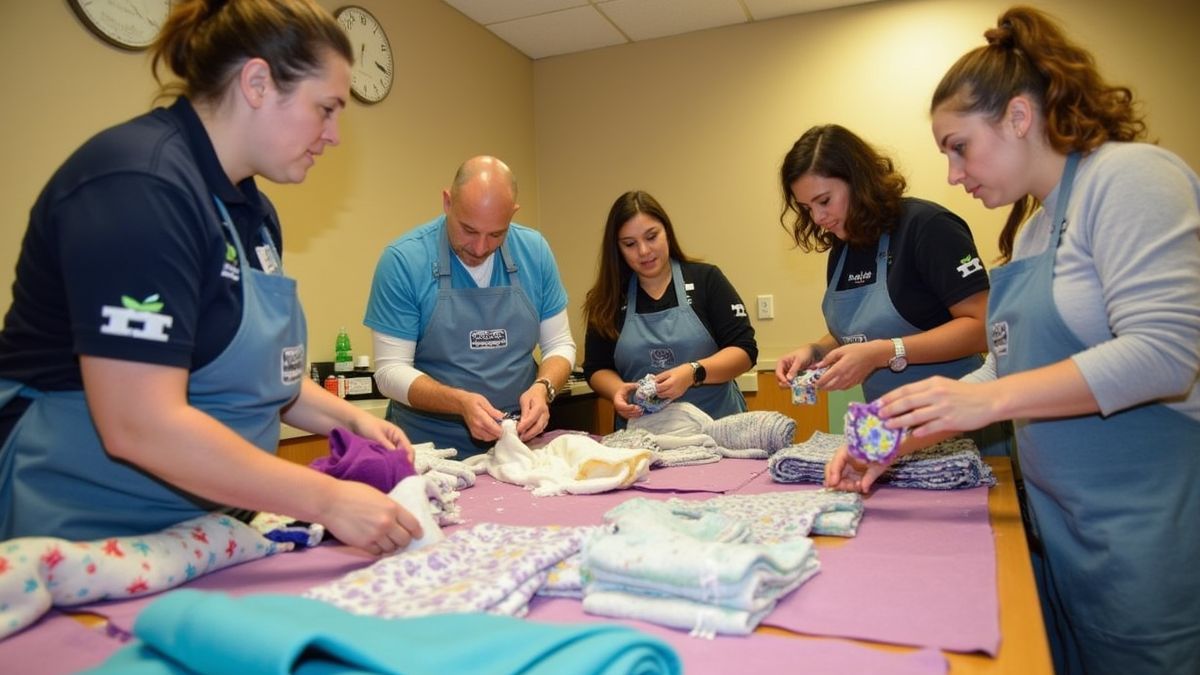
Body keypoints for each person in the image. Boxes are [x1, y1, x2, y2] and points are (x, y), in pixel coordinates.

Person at [827, 7, 1200, 673]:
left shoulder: (1132, 178)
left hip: (1149, 536)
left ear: (1019, 117)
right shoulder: (1030, 232)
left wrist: (988, 401)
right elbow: (1009, 362)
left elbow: (1167, 354)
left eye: (957, 145)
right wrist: (901, 436)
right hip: (1064, 533)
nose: (951, 173)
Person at [0, 0, 421, 554]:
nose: (335, 134)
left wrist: (353, 421)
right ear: (256, 82)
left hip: (201, 528)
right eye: (326, 109)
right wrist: (327, 499)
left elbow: (262, 381)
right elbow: (138, 423)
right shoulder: (139, 187)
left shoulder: (251, 212)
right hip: (84, 527)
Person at [773, 125, 1009, 455]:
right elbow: (861, 334)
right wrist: (816, 351)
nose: (819, 217)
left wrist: (886, 351)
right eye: (807, 208)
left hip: (961, 429)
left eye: (824, 201)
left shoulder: (927, 227)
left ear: (858, 179)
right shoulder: (843, 249)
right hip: (890, 435)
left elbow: (983, 327)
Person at [365, 156, 576, 456]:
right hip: (428, 449)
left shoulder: (535, 252)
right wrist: (459, 402)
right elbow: (390, 371)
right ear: (447, 202)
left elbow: (559, 343)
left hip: (514, 446)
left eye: (496, 234)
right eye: (468, 230)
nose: (479, 248)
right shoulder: (403, 261)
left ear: (512, 214)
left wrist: (544, 387)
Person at [582, 190, 756, 426]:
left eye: (652, 236)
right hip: (643, 437)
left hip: (717, 430)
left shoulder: (707, 280)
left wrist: (693, 372)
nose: (644, 251)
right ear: (617, 248)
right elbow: (596, 367)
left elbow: (744, 351)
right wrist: (617, 390)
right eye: (630, 244)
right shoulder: (608, 299)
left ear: (667, 232)